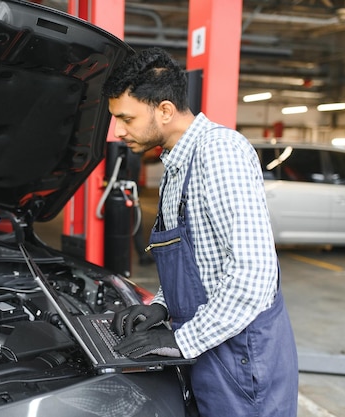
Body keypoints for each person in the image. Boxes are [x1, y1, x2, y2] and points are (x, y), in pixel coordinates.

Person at [102, 47, 298, 416]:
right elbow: (196, 259)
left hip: (243, 360)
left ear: (164, 109)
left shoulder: (219, 152)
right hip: (207, 346)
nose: (118, 131)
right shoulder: (176, 165)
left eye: (126, 118)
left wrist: (180, 339)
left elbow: (254, 276)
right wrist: (160, 306)